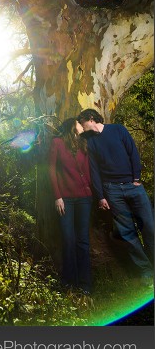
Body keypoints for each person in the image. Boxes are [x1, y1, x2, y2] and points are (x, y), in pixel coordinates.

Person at [77, 108, 154, 280]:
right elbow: (94, 170)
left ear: (90, 118)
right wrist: (101, 196)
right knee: (127, 233)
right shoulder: (91, 142)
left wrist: (136, 178)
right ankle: (147, 273)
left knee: (149, 227)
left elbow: (132, 152)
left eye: (82, 123)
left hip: (133, 186)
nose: (81, 127)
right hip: (112, 191)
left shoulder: (118, 129)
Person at [47, 118, 93, 294]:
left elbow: (88, 169)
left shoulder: (83, 143)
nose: (82, 126)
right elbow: (51, 170)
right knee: (68, 239)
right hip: (65, 199)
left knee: (83, 240)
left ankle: (85, 285)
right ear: (72, 127)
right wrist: (57, 196)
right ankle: (69, 283)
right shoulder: (57, 143)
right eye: (79, 123)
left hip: (84, 199)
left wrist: (90, 187)